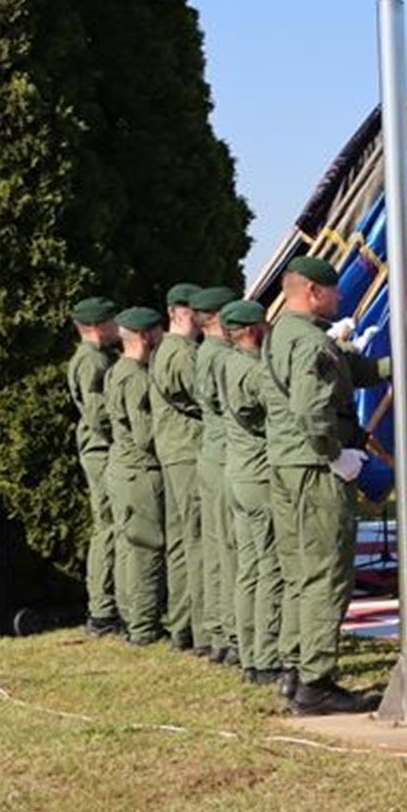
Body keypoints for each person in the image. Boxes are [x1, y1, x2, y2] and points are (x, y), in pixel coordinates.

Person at [260, 257, 387, 713]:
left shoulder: (284, 333)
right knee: (326, 573)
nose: (339, 299)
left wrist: (396, 362)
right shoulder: (310, 342)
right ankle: (316, 680)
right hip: (315, 468)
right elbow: (312, 410)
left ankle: (295, 669)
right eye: (333, 291)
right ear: (313, 291)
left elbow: (353, 370)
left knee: (299, 572)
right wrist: (336, 457)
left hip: (290, 465)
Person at [220, 299, 286, 683]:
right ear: (251, 330)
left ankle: (249, 651)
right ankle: (265, 657)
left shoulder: (230, 362)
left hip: (240, 474)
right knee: (270, 567)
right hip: (259, 477)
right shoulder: (251, 369)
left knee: (249, 567)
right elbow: (281, 401)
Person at [103, 306, 167, 646]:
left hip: (122, 469)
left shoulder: (117, 371)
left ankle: (132, 618)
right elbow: (146, 436)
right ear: (145, 336)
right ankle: (143, 626)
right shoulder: (138, 378)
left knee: (130, 546)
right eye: (158, 331)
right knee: (146, 547)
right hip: (140, 471)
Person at [150, 282, 204, 653]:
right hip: (189, 452)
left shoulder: (171, 350)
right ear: (175, 313)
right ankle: (195, 627)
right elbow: (208, 398)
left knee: (185, 542)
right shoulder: (180, 353)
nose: (197, 317)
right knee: (197, 542)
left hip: (179, 452)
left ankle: (184, 624)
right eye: (191, 311)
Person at [67, 296, 122, 637]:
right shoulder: (90, 361)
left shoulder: (100, 357)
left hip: (103, 449)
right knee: (109, 526)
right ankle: (102, 610)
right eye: (111, 321)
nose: (117, 327)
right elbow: (97, 414)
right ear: (94, 326)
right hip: (101, 451)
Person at [191, 285, 239, 665]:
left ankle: (220, 631)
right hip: (226, 454)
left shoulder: (205, 352)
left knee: (218, 547)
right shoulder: (221, 356)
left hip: (212, 452)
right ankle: (232, 633)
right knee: (233, 550)